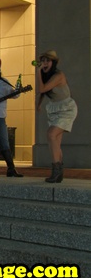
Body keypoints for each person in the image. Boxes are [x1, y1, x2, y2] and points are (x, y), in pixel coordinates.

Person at [36, 50, 77, 183]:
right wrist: (39, 104)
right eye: (43, 61)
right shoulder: (45, 75)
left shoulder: (58, 75)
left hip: (66, 108)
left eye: (47, 61)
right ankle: (58, 173)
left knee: (51, 134)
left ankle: (56, 170)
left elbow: (42, 89)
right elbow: (42, 92)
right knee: (55, 141)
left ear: (53, 62)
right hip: (54, 109)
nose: (44, 63)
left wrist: (37, 72)